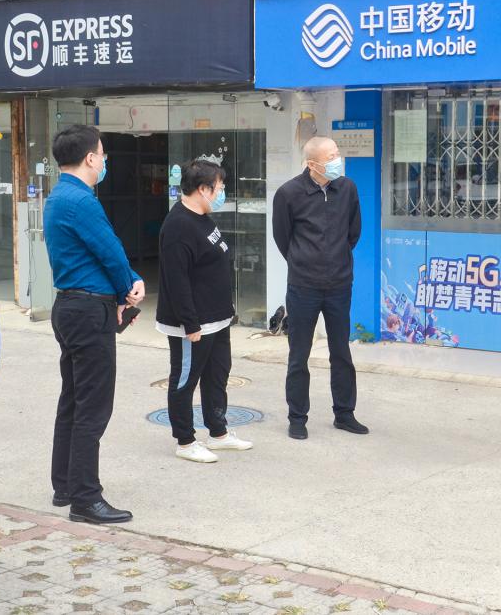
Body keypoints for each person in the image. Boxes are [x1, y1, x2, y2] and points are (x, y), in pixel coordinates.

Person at [44, 124, 145, 524]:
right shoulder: (81, 201)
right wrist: (129, 289)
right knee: (93, 407)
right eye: (102, 154)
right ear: (90, 158)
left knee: (73, 399)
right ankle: (85, 498)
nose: (104, 161)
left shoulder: (58, 196)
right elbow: (110, 251)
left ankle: (65, 485)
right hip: (87, 312)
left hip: (71, 307)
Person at [156, 158, 253, 463]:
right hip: (194, 323)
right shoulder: (178, 225)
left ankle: (218, 433)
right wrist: (190, 323)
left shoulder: (203, 218)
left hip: (217, 318)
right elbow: (177, 281)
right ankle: (185, 441)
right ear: (203, 189)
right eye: (219, 188)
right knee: (185, 379)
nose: (222, 193)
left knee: (217, 376)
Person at [272, 136, 366, 440]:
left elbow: (353, 232)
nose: (338, 160)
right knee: (299, 354)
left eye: (337, 153)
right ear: (313, 164)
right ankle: (297, 417)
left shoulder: (347, 188)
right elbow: (283, 238)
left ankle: (345, 414)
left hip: (339, 284)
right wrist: (304, 261)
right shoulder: (289, 193)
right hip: (303, 286)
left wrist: (337, 258)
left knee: (341, 352)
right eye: (331, 156)